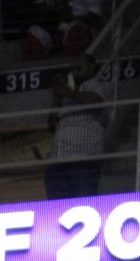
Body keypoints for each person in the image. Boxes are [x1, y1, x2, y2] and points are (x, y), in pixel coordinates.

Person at [43, 53, 115, 199]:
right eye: (73, 69)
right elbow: (51, 125)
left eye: (79, 68)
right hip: (58, 161)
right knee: (56, 210)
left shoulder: (101, 85)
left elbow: (97, 101)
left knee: (84, 205)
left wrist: (69, 93)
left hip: (84, 160)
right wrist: (57, 98)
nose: (75, 72)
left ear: (92, 67)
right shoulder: (68, 94)